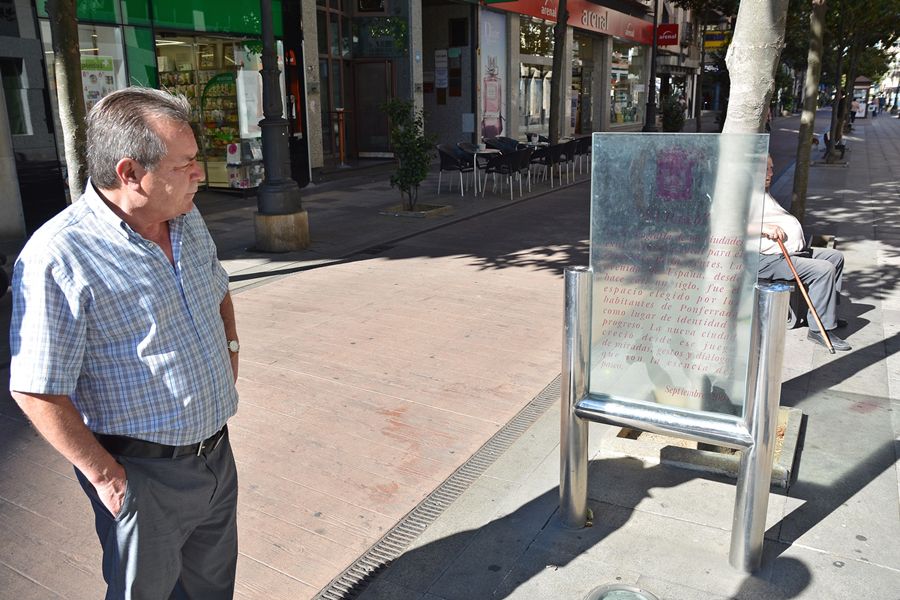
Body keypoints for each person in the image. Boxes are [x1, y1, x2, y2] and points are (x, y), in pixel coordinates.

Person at [9, 87, 240, 598]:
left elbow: (218, 291)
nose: (199, 174)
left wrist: (230, 354)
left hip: (216, 458)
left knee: (212, 590)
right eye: (184, 164)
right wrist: (108, 479)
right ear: (130, 173)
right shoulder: (59, 256)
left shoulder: (185, 218)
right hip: (142, 475)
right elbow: (35, 388)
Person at [757, 156, 850, 351]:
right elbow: (732, 224)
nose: (772, 173)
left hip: (790, 253)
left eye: (772, 168)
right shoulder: (743, 194)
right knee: (824, 269)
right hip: (769, 259)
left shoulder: (762, 192)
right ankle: (819, 329)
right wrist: (764, 227)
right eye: (767, 169)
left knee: (835, 257)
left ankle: (826, 312)